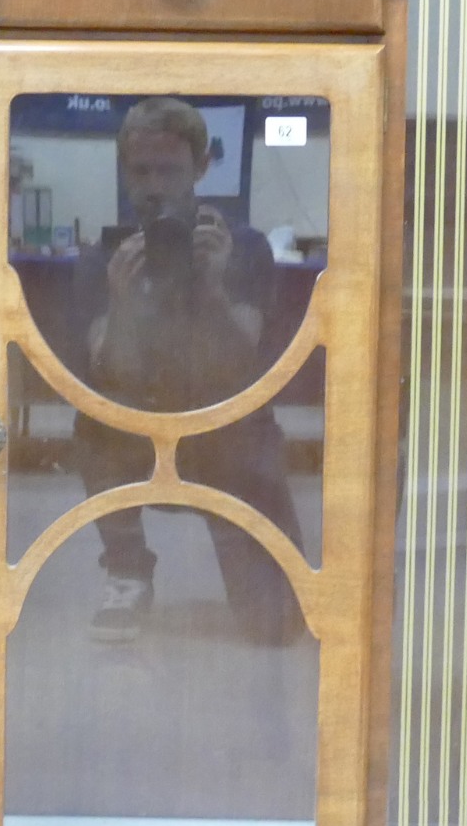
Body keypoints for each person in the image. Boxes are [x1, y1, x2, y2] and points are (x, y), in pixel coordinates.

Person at [67, 96, 305, 646]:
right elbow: (104, 373)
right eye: (141, 170)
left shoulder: (240, 248)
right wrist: (122, 305)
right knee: (94, 427)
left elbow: (245, 367)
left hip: (229, 433)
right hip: (134, 434)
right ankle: (126, 568)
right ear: (124, 170)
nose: (153, 186)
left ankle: (249, 567)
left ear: (201, 168)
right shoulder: (105, 257)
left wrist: (213, 288)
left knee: (275, 627)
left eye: (169, 170)